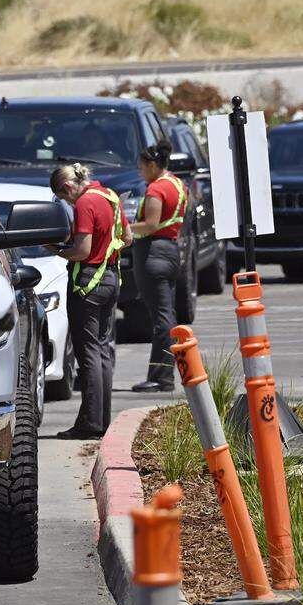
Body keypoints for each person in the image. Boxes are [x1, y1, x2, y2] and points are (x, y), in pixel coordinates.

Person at [48, 163, 133, 440]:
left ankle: (90, 423)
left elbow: (82, 250)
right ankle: (101, 419)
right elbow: (128, 238)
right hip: (110, 279)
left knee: (89, 355)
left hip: (87, 284)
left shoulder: (84, 203)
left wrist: (58, 250)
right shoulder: (110, 196)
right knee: (103, 350)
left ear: (69, 188)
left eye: (64, 198)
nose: (67, 203)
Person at [127, 143, 187, 393]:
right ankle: (162, 373)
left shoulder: (156, 189)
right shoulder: (177, 184)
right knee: (167, 314)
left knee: (162, 318)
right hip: (171, 250)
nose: (140, 171)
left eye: (142, 166)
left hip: (154, 253)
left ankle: (161, 376)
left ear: (153, 165)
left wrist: (126, 228)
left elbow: (150, 224)